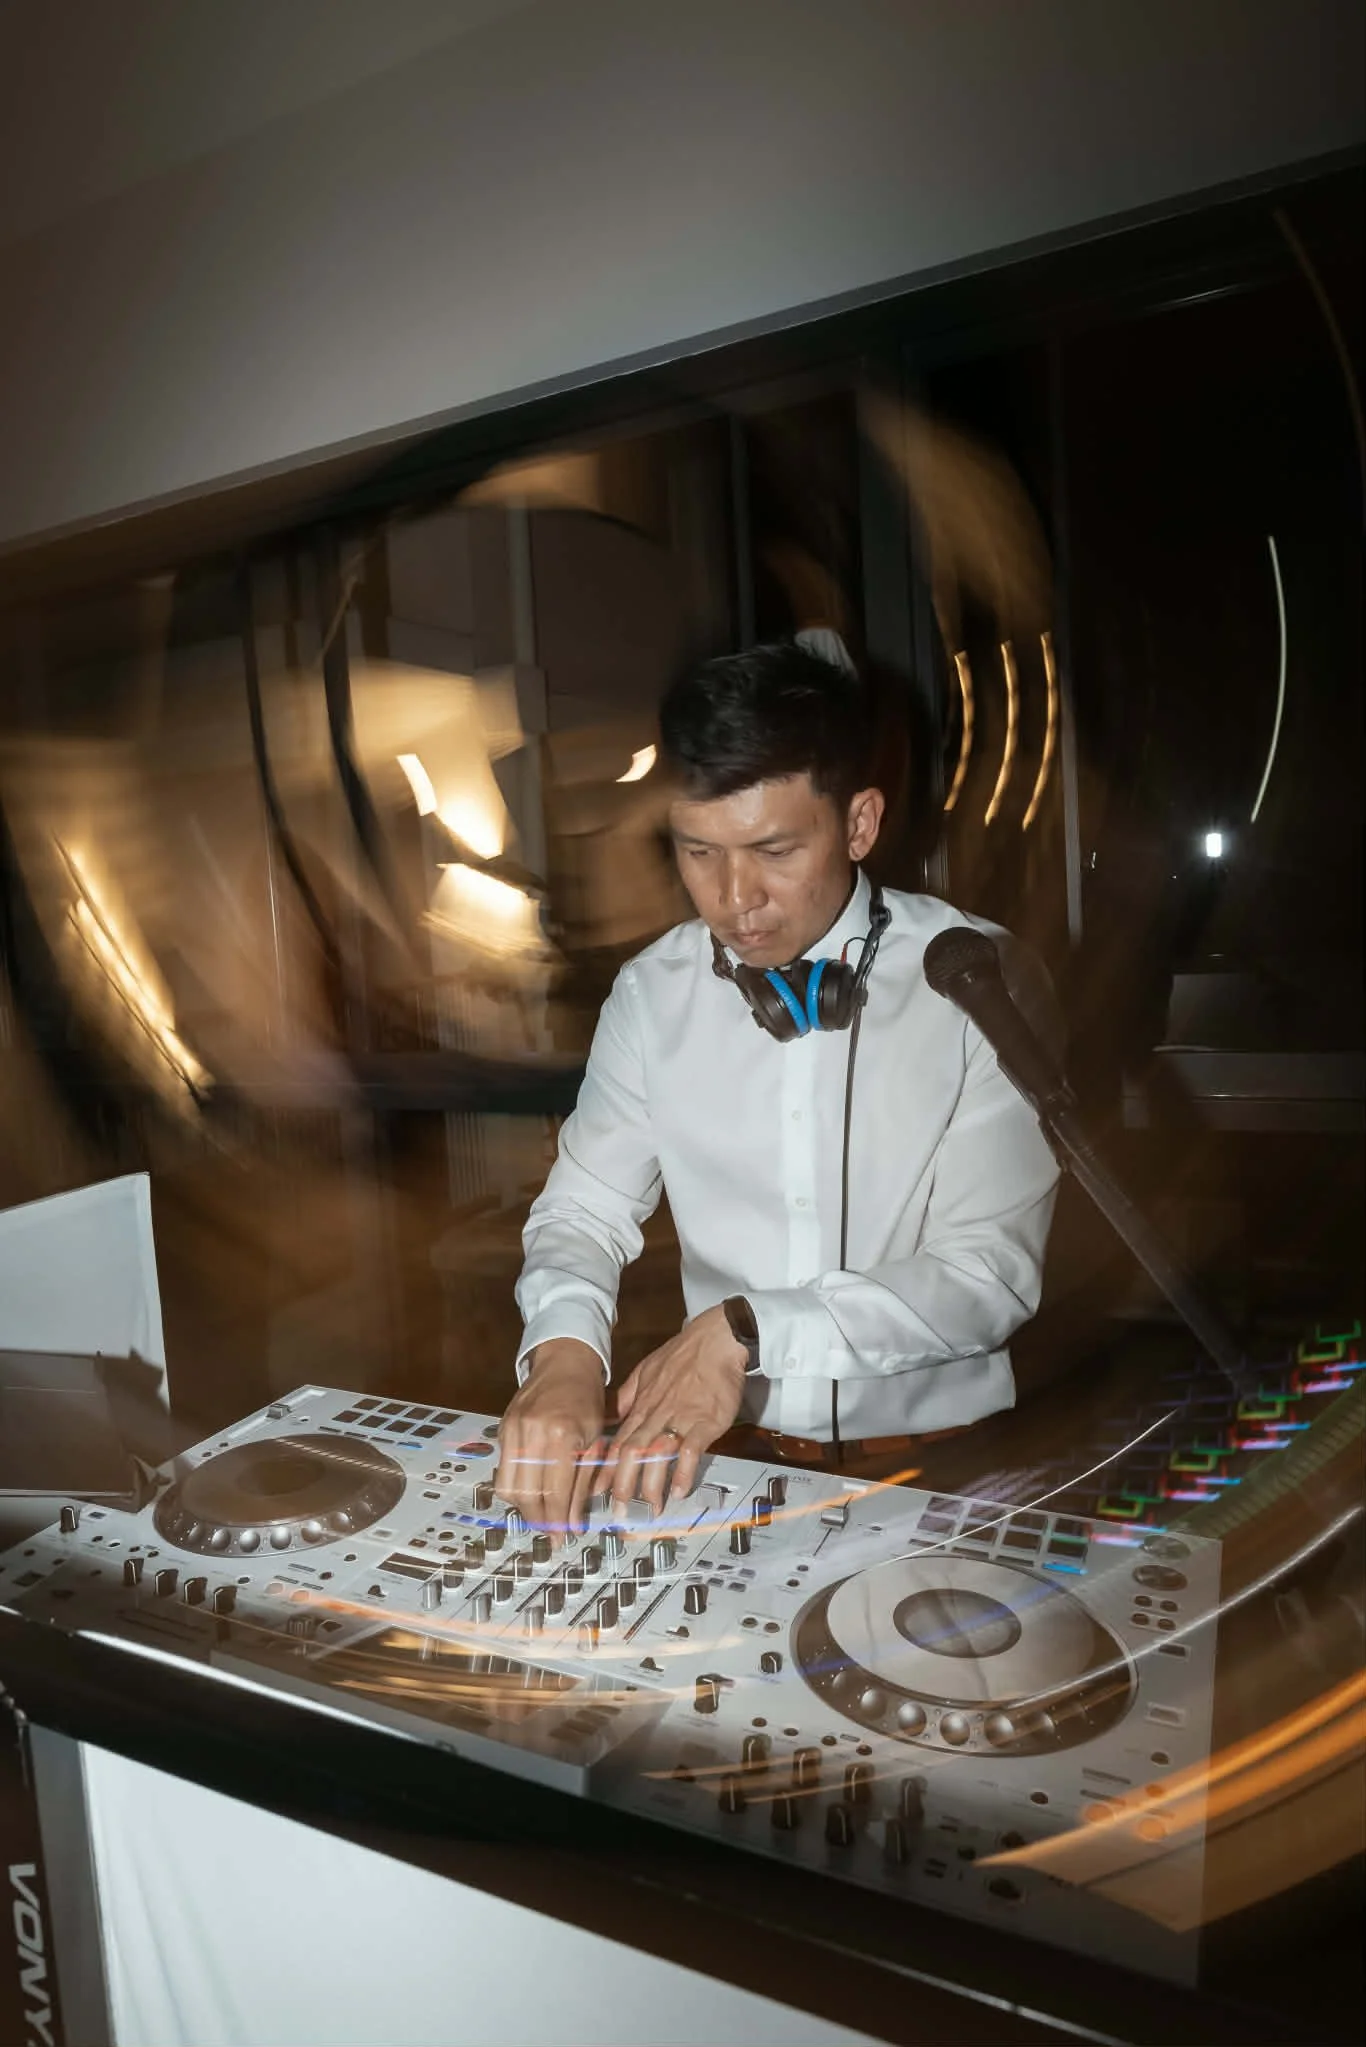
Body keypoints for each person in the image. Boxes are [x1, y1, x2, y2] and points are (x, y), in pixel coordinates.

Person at [494, 636, 1059, 1536]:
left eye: (774, 850)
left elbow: (986, 1274)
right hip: (720, 1460)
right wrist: (562, 1355)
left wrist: (747, 1330)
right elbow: (582, 1212)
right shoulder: (650, 995)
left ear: (861, 823)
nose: (734, 899)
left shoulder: (980, 981)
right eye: (698, 853)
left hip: (946, 1467)